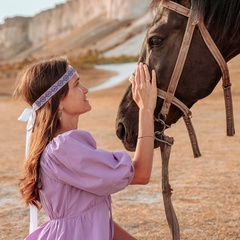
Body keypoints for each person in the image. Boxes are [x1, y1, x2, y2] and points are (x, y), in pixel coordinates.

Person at [14, 56, 157, 240]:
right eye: (77, 85)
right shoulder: (63, 148)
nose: (85, 89)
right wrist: (146, 109)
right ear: (56, 101)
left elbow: (88, 215)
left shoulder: (57, 147)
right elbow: (141, 174)